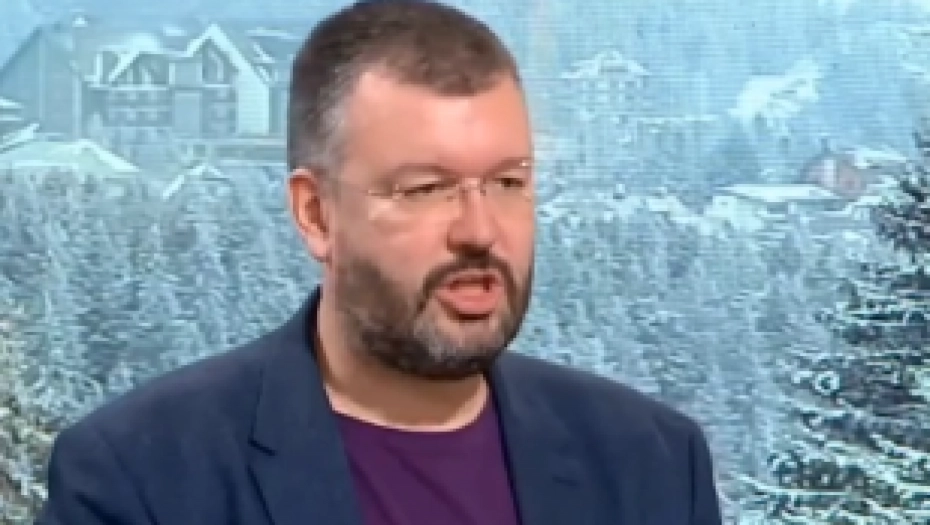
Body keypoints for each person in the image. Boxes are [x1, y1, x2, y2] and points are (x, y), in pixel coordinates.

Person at [35, 1, 724, 524]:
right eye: (425, 189)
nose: (480, 230)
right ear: (316, 214)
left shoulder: (654, 464)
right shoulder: (140, 478)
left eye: (508, 182)